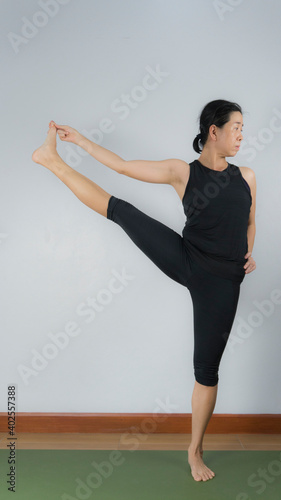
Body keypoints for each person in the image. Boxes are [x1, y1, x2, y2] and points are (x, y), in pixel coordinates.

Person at [31, 99, 256, 482]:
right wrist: (82, 141)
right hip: (188, 259)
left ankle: (194, 449)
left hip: (223, 281)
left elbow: (250, 221)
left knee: (207, 371)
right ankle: (52, 161)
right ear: (213, 132)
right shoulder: (181, 172)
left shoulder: (247, 176)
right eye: (236, 127)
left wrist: (248, 252)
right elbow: (121, 165)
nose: (241, 135)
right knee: (124, 211)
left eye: (242, 128)